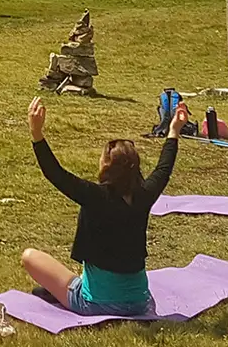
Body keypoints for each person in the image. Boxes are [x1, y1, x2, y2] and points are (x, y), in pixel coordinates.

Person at [20, 95, 188, 317]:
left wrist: (37, 134)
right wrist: (174, 131)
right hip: (141, 304)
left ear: (107, 166)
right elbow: (163, 169)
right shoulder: (143, 196)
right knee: (75, 279)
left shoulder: (96, 196)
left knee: (29, 256)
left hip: (95, 305)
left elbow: (56, 174)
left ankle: (69, 292)